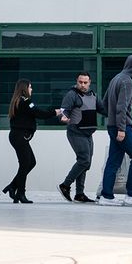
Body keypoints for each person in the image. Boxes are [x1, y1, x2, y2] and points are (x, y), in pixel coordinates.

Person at [99, 54, 132, 207]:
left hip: (113, 126)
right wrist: (122, 128)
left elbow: (104, 104)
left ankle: (106, 196)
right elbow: (122, 107)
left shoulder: (116, 78)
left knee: (113, 161)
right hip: (122, 128)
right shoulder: (127, 81)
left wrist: (113, 121)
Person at [2, 79, 62, 204]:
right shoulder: (25, 101)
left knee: (31, 162)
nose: (31, 89)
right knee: (25, 164)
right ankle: (20, 193)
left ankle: (13, 186)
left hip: (18, 136)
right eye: (30, 87)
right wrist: (55, 112)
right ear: (24, 88)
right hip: (19, 137)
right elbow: (38, 113)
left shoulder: (19, 101)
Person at [56, 72, 107, 203]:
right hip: (75, 132)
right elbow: (64, 110)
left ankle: (79, 194)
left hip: (88, 134)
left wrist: (117, 114)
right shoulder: (72, 94)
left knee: (85, 163)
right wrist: (63, 116)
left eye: (85, 82)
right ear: (77, 81)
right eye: (80, 82)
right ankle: (65, 185)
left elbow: (103, 110)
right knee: (84, 160)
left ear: (90, 83)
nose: (82, 85)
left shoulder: (93, 95)